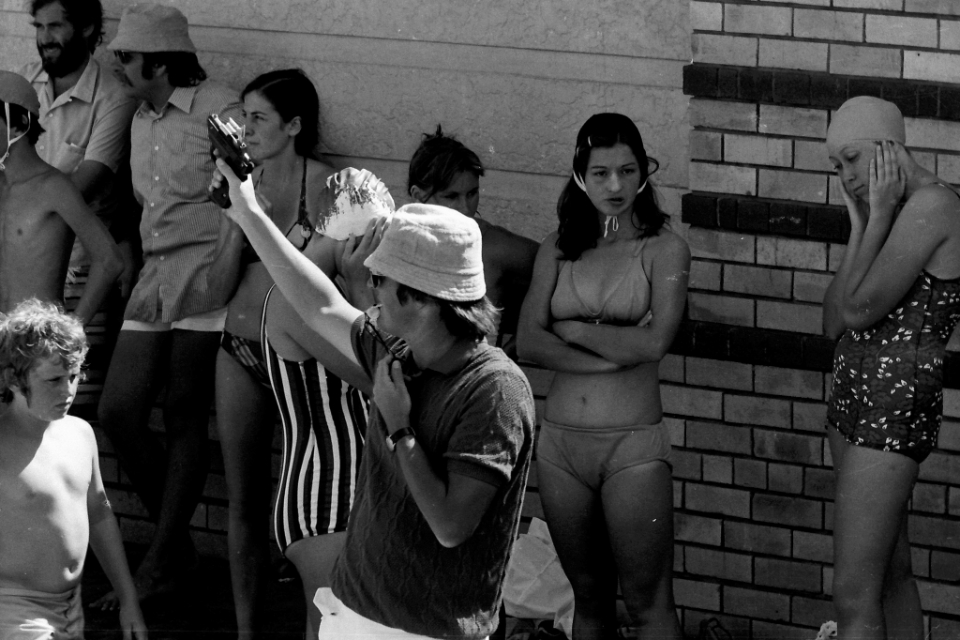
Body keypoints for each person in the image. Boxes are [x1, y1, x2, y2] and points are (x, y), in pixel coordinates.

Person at [217, 154, 535, 638]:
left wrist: (401, 430)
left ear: (422, 299)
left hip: (427, 629)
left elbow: (450, 525)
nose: (370, 287)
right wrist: (247, 211)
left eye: (381, 279)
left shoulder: (496, 390)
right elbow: (317, 301)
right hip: (355, 613)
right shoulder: (398, 352)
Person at [517, 113, 688, 639]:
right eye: (600, 173)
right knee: (586, 600)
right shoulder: (558, 246)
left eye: (627, 170)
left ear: (644, 174)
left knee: (648, 603)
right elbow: (528, 342)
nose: (615, 186)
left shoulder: (665, 248)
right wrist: (611, 357)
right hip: (563, 446)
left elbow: (656, 341)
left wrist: (573, 328)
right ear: (579, 176)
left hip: (631, 446)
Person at [94, 2, 242, 606]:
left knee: (184, 413)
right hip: (157, 276)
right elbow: (139, 199)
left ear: (158, 58)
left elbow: (244, 196)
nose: (121, 65)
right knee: (119, 411)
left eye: (127, 55)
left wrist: (227, 269)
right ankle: (174, 547)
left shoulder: (219, 109)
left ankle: (161, 561)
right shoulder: (138, 118)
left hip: (209, 276)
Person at [206, 68, 345, 638]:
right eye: (243, 116)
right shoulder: (241, 182)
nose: (246, 128)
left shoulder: (333, 189)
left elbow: (339, 289)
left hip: (305, 363)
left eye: (258, 117)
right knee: (244, 499)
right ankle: (247, 630)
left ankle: (318, 624)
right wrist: (242, 220)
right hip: (241, 347)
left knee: (315, 498)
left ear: (294, 125)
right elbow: (214, 289)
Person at [822, 97, 960, 640]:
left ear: (891, 145)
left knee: (853, 595)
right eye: (836, 166)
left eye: (852, 157)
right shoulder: (890, 211)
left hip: (892, 410)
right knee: (890, 577)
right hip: (854, 399)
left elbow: (859, 309)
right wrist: (861, 225)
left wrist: (878, 216)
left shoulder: (933, 205)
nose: (847, 176)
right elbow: (834, 322)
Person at [0, 299, 146, 639]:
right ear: (12, 379)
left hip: (70, 609)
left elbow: (99, 514)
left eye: (74, 376)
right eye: (53, 380)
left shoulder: (80, 433)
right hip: (13, 611)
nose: (68, 391)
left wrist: (128, 598)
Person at [20, 0, 139, 298]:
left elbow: (77, 189)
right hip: (13, 259)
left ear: (86, 28)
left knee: (70, 344)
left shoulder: (114, 99)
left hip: (76, 269)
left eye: (55, 26)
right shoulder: (22, 83)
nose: (44, 38)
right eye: (39, 26)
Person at [0, 70, 122, 323]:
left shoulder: (54, 188)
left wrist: (71, 331)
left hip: (37, 342)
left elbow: (110, 260)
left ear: (19, 124)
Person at [407, 126, 538, 354]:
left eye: (472, 193)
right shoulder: (397, 246)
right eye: (451, 196)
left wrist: (523, 338)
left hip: (478, 383)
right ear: (418, 196)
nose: (465, 208)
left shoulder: (492, 246)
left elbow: (563, 272)